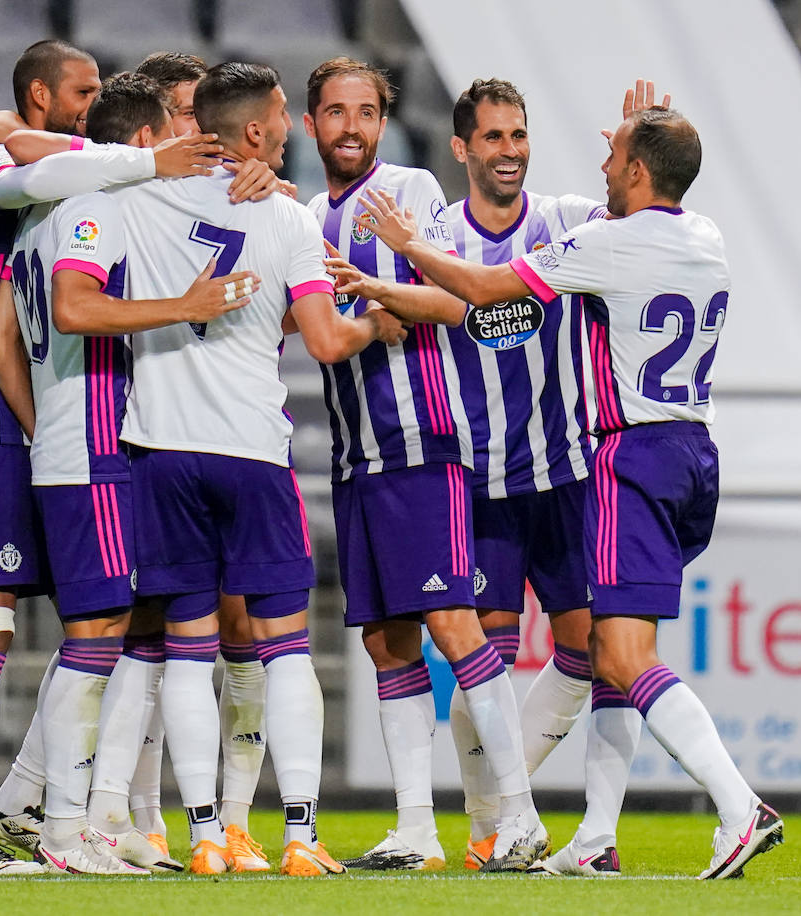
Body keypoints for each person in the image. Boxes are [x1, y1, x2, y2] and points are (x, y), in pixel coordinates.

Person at [344, 103, 786, 880]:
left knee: (621, 653)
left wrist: (403, 249)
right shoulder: (706, 235)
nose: (603, 168)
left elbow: (481, 291)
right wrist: (641, 133)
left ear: (640, 172)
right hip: (689, 454)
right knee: (610, 650)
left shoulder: (600, 238)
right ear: (464, 147)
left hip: (624, 458)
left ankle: (737, 806)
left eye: (614, 157)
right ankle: (592, 836)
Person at [95, 61, 404, 876]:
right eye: (283, 117)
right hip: (253, 456)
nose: (295, 130)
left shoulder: (139, 196)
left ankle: (200, 839)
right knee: (284, 647)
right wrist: (378, 318)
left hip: (162, 451)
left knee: (186, 653)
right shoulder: (286, 216)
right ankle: (300, 836)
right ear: (259, 134)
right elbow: (330, 339)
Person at [0, 38, 220, 876]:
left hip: (44, 421)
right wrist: (141, 162)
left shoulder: (76, 186)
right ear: (38, 95)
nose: (92, 103)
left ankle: (48, 804)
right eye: (81, 90)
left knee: (102, 622)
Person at [0, 71, 266, 876]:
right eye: (176, 139)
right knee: (96, 638)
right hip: (90, 450)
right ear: (147, 143)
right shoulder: (91, 209)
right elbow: (76, 309)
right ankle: (63, 826)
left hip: (83, 446)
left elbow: (9, 333)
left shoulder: (57, 210)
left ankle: (80, 815)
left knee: (111, 634)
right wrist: (186, 306)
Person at [301, 57, 545, 873]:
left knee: (453, 625)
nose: (351, 127)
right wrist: (372, 311)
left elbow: (461, 302)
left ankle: (517, 815)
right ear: (312, 125)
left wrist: (379, 294)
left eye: (365, 112)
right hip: (356, 453)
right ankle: (415, 828)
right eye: (336, 112)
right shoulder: (303, 215)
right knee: (385, 642)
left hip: (422, 444)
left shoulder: (404, 193)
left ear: (382, 122)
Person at [80, 50, 279, 874]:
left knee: (218, 629)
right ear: (157, 125)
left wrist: (272, 188)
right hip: (142, 430)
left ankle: (219, 821)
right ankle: (118, 812)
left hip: (212, 426)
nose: (201, 133)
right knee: (139, 630)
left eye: (208, 116)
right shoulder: (120, 188)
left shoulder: (245, 200)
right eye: (187, 117)